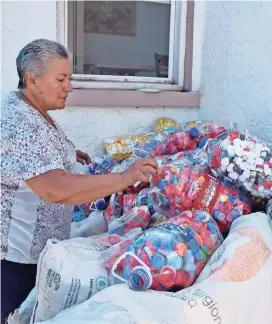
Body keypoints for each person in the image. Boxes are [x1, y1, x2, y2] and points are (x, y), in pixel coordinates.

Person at [0, 39, 158, 322]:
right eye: (60, 79)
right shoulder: (19, 121)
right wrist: (125, 177)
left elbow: (37, 152)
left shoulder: (34, 111)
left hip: (38, 252)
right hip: (16, 261)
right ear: (32, 79)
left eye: (69, 78)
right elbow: (55, 189)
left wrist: (68, 153)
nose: (69, 87)